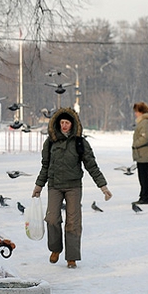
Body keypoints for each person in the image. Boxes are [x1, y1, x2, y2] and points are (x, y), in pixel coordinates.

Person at [31, 107, 112, 269]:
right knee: (52, 219)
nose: (64, 125)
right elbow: (45, 166)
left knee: (73, 222)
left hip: (73, 186)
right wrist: (38, 186)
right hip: (54, 185)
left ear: (73, 124)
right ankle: (55, 249)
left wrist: (103, 187)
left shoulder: (80, 142)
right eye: (62, 122)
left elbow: (92, 166)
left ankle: (72, 257)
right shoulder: (51, 141)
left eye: (67, 122)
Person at [132, 102, 148, 204]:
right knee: (145, 176)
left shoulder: (144, 122)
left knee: (144, 176)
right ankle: (147, 196)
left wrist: (135, 144)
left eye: (136, 111)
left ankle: (145, 197)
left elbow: (146, 137)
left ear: (141, 112)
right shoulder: (146, 122)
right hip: (145, 154)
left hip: (144, 154)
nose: (135, 114)